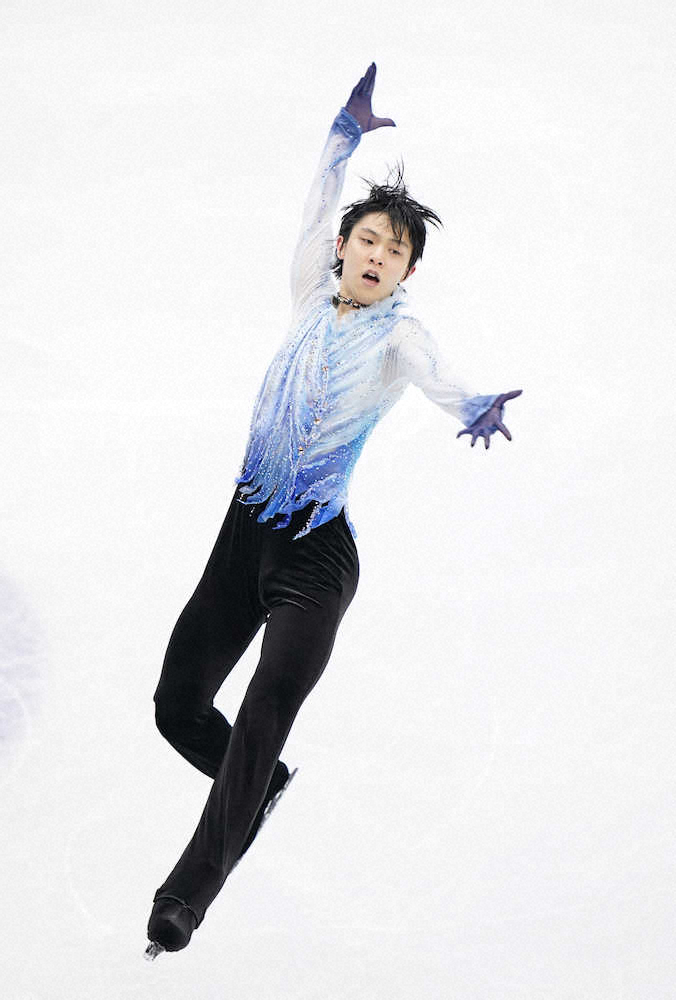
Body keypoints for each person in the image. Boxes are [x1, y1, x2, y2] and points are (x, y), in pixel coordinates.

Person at [145, 62, 521, 959]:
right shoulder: (309, 287)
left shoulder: (400, 335)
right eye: (370, 239)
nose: (378, 255)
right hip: (243, 536)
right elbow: (316, 203)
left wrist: (474, 405)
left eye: (396, 250)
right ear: (346, 245)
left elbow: (436, 374)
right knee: (177, 706)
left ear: (409, 271)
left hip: (316, 561)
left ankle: (183, 900)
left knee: (266, 706)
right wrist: (343, 136)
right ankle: (258, 785)